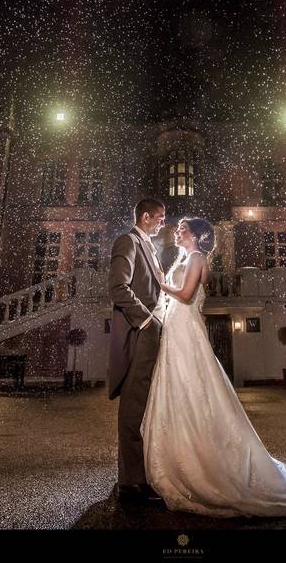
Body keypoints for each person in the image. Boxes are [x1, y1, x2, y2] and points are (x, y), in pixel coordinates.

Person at [142, 217, 286, 517]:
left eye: (182, 230)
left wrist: (159, 283)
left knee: (192, 384)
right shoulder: (186, 256)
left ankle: (202, 461)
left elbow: (187, 294)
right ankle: (181, 452)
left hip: (185, 330)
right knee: (182, 386)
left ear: (196, 237)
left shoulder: (196, 257)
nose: (177, 232)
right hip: (179, 327)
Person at [107, 197, 168, 503]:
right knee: (134, 403)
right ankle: (130, 483)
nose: (163, 223)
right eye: (160, 217)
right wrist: (147, 322)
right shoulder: (127, 241)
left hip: (155, 332)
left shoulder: (147, 245)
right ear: (145, 216)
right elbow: (118, 287)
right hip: (141, 334)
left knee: (147, 404)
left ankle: (140, 473)